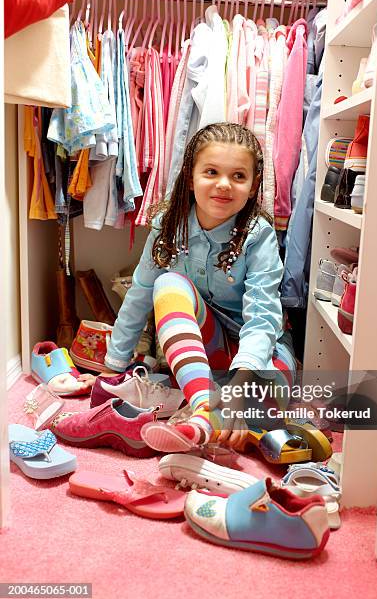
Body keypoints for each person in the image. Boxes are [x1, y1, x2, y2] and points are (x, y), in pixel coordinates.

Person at [98, 122, 296, 450]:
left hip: (260, 353)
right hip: (204, 349)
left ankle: (201, 420)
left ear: (252, 185)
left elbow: (262, 320)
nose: (223, 185)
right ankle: (206, 409)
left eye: (238, 176)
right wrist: (112, 369)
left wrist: (239, 390)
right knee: (167, 283)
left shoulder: (258, 235)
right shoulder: (169, 227)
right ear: (190, 178)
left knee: (266, 413)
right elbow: (139, 295)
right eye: (211, 172)